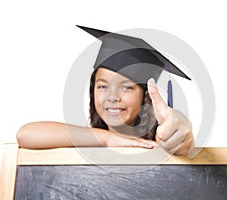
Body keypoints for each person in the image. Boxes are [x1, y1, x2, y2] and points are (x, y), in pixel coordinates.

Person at [16, 26, 194, 156]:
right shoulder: (84, 147)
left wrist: (180, 132)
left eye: (126, 87)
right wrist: (107, 139)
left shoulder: (159, 148)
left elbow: (181, 144)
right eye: (102, 86)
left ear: (145, 95)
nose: (112, 97)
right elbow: (25, 135)